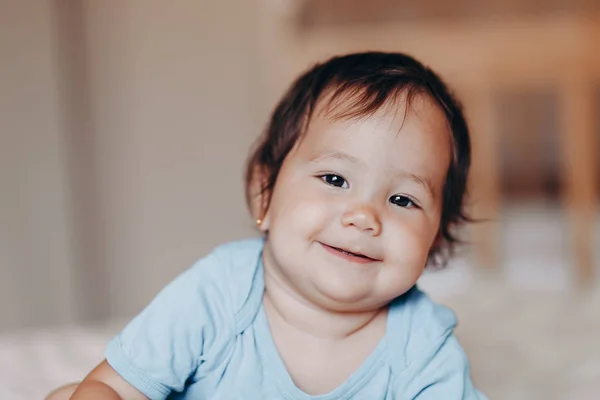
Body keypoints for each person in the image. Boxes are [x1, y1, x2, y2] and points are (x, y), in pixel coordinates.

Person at [48, 51, 485, 399]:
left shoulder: (423, 347)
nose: (364, 216)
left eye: (402, 199)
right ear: (265, 193)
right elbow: (113, 386)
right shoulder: (219, 293)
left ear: (436, 238)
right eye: (335, 179)